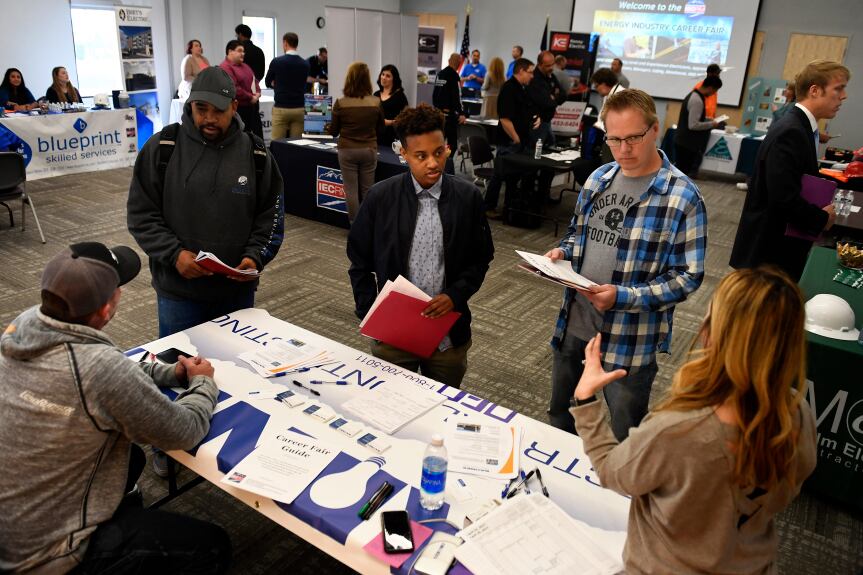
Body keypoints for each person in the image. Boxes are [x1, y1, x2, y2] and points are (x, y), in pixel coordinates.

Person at [0, 241, 230, 573]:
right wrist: (202, 381)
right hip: (42, 555)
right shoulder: (100, 368)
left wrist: (168, 372)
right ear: (108, 309)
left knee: (130, 458)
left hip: (13, 522)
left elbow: (105, 371)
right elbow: (185, 430)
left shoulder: (23, 329)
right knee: (212, 545)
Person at [570, 267, 816, 573]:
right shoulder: (797, 412)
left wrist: (585, 400)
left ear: (713, 335)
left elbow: (613, 471)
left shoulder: (679, 428)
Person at [545, 89, 707, 441]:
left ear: (654, 130)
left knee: (625, 432)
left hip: (630, 340)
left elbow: (688, 277)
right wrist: (563, 253)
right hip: (575, 323)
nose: (623, 150)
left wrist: (623, 297)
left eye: (633, 138)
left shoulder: (683, 196)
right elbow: (578, 236)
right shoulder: (599, 179)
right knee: (561, 417)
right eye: (614, 139)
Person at [127, 66, 284, 338]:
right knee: (178, 371)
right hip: (178, 293)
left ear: (234, 107)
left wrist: (255, 256)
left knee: (237, 373)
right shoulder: (163, 147)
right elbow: (142, 215)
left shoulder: (256, 153)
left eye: (218, 110)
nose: (209, 118)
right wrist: (174, 255)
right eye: (201, 109)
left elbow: (271, 215)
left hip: (236, 293)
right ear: (190, 105)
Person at [347, 104, 494, 388]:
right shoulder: (380, 198)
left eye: (439, 152)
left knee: (444, 408)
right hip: (393, 335)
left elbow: (481, 258)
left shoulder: (468, 198)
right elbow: (359, 263)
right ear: (403, 154)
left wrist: (455, 294)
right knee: (390, 405)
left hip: (448, 336)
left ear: (448, 148)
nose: (433, 163)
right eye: (421, 156)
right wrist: (370, 314)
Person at [730, 60, 848, 281]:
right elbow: (782, 197)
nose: (844, 96)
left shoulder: (800, 126)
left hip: (775, 248)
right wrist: (822, 218)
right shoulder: (791, 131)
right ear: (815, 90)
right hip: (770, 254)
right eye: (838, 88)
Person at [483, 57, 540, 218]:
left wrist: (537, 117)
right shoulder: (508, 89)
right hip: (509, 141)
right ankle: (488, 207)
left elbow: (528, 110)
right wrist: (516, 139)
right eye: (530, 72)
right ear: (521, 71)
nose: (532, 76)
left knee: (513, 177)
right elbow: (505, 119)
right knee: (499, 175)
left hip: (518, 141)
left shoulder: (522, 88)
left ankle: (509, 207)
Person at [329, 62, 385, 225]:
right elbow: (381, 129)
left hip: (347, 151)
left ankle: (355, 225)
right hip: (368, 149)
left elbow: (333, 131)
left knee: (351, 190)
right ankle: (368, 225)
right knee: (368, 190)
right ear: (367, 79)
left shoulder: (341, 103)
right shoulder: (376, 102)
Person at [674, 75, 725, 178]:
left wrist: (707, 120)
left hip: (684, 142)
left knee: (681, 175)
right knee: (681, 176)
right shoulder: (697, 100)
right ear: (711, 88)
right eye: (715, 90)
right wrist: (712, 124)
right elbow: (693, 125)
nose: (714, 94)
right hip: (687, 144)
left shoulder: (694, 95)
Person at [265, 32, 309, 139]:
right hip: (299, 108)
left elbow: (267, 82)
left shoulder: (277, 62)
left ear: (285, 43)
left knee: (277, 144)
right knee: (297, 145)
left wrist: (277, 86)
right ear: (296, 45)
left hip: (281, 108)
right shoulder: (305, 64)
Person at [219, 40, 263, 138]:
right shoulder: (225, 67)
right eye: (239, 51)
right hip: (238, 109)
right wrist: (251, 97)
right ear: (230, 52)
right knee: (241, 136)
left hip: (252, 107)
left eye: (243, 51)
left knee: (256, 136)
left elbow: (254, 81)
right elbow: (234, 87)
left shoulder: (245, 66)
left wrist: (258, 93)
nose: (242, 54)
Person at [432, 53, 466, 174]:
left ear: (448, 60)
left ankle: (436, 166)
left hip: (438, 114)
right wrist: (461, 113)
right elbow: (457, 96)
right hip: (449, 116)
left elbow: (434, 94)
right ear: (457, 63)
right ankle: (448, 168)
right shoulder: (454, 76)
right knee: (453, 145)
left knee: (438, 143)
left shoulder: (440, 73)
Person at [527, 50, 565, 147]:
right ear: (540, 64)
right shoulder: (535, 79)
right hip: (537, 122)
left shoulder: (551, 76)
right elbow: (546, 102)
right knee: (536, 150)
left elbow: (564, 95)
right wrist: (554, 97)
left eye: (552, 64)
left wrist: (553, 98)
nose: (551, 68)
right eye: (547, 66)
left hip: (547, 121)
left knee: (551, 145)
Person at [591, 67, 625, 163]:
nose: (596, 89)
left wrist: (599, 125)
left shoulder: (620, 96)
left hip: (616, 142)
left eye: (596, 85)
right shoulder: (610, 95)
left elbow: (619, 122)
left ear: (605, 83)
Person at [374, 64, 409, 145]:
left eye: (388, 76)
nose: (384, 77)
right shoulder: (376, 94)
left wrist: (390, 122)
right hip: (376, 137)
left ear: (394, 79)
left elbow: (407, 118)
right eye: (382, 74)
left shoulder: (400, 96)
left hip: (392, 138)